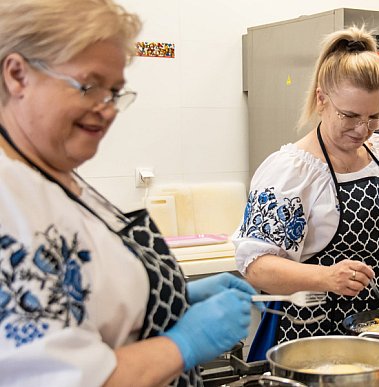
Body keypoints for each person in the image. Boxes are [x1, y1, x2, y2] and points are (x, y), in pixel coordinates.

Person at [0, 1, 258, 385]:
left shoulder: (56, 173)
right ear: (18, 75)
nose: (107, 110)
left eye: (115, 92)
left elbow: (85, 298)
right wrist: (182, 343)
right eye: (88, 87)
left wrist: (167, 296)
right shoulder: (10, 199)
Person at [233, 26, 379, 360]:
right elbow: (256, 266)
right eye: (351, 116)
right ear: (321, 100)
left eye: (375, 116)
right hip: (316, 334)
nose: (363, 129)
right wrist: (327, 276)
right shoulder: (292, 172)